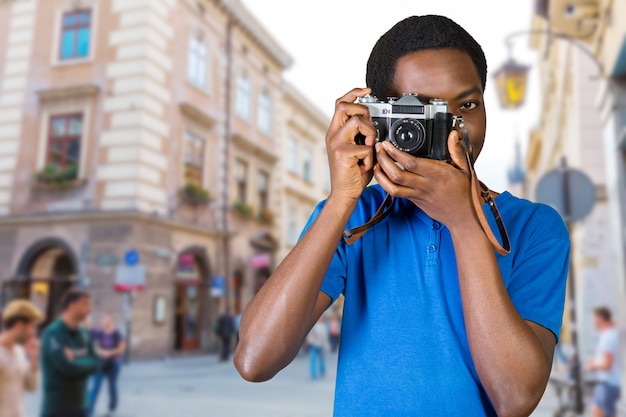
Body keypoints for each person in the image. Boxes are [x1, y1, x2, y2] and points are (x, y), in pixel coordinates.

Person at [235, 14, 570, 416]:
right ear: (381, 118)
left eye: (467, 105)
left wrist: (463, 222)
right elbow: (254, 360)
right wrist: (342, 197)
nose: (452, 130)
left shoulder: (535, 227)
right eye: (425, 110)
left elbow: (516, 398)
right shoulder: (355, 216)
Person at [41, 289, 99, 417]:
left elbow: (96, 362)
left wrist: (75, 361)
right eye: (85, 304)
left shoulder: (85, 333)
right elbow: (66, 367)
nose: (90, 309)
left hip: (80, 406)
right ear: (72, 306)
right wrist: (85, 361)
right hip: (56, 408)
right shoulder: (53, 333)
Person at [0, 300, 43, 417]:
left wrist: (34, 358)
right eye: (32, 326)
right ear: (19, 326)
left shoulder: (18, 351)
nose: (34, 333)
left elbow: (31, 387)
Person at [88, 315, 125, 417]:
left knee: (112, 387)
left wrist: (111, 352)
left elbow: (122, 348)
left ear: (111, 322)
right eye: (104, 322)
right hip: (100, 364)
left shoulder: (117, 333)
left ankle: (111, 408)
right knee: (95, 387)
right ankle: (89, 410)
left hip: (113, 364)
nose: (105, 324)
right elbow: (95, 346)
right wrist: (101, 352)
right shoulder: (100, 333)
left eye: (107, 322)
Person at [587, 307, 621, 417]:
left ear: (600, 319)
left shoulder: (608, 337)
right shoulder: (610, 334)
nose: (592, 322)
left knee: (597, 411)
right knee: (597, 410)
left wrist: (593, 365)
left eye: (593, 318)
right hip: (609, 384)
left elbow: (607, 364)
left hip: (607, 384)